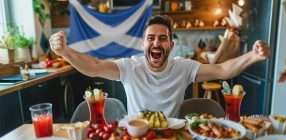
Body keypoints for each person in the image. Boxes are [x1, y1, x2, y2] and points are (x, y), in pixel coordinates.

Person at [49, 15, 270, 117]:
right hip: (136, 136)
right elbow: (95, 66)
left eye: (162, 38)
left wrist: (252, 56)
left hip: (172, 136)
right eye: (151, 38)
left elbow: (223, 70)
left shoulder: (183, 67)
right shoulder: (129, 67)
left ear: (171, 45)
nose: (156, 43)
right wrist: (65, 52)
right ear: (143, 44)